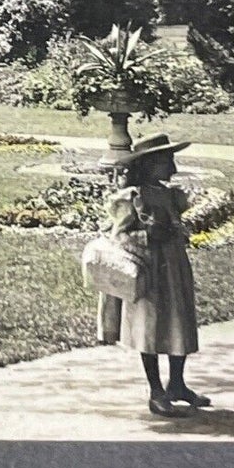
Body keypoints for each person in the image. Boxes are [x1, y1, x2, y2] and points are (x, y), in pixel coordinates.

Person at [95, 132, 210, 417]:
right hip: (149, 270)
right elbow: (119, 237)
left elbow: (176, 223)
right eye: (165, 161)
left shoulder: (170, 195)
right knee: (150, 326)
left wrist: (178, 232)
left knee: (178, 322)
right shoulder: (133, 199)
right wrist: (148, 235)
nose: (172, 167)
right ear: (148, 165)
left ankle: (178, 384)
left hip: (173, 266)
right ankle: (156, 390)